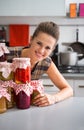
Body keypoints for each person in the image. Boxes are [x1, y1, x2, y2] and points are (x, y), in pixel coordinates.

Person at [21, 21, 73, 107]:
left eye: (48, 48)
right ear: (31, 40)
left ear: (52, 50)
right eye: (39, 43)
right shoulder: (7, 54)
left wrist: (54, 98)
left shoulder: (46, 62)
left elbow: (69, 89)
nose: (41, 51)